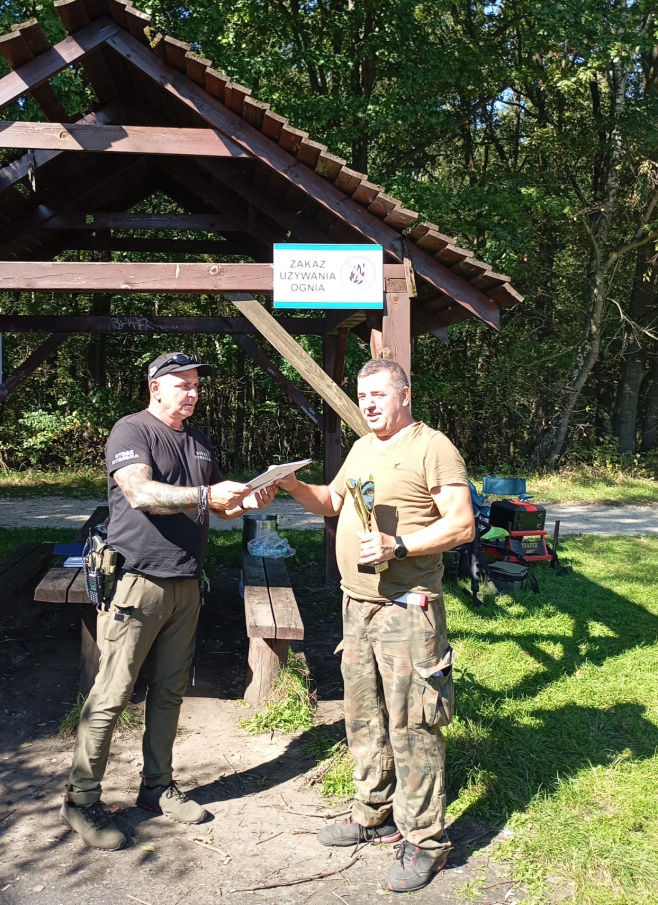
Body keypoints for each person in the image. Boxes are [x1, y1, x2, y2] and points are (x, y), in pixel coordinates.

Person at [60, 351, 275, 850]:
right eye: (183, 384)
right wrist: (204, 496)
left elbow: (218, 505)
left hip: (186, 582)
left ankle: (156, 787)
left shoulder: (198, 442)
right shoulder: (131, 430)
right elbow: (140, 493)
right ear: (155, 386)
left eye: (196, 385)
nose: (193, 393)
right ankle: (81, 799)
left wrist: (250, 499)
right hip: (137, 582)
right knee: (112, 695)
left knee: (170, 691)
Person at [275, 358, 475, 893]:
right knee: (362, 716)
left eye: (379, 395)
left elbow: (462, 524)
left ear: (404, 395)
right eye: (363, 396)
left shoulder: (432, 447)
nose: (368, 404)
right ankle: (374, 811)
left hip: (407, 609)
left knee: (414, 723)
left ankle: (426, 840)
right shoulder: (363, 448)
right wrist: (291, 485)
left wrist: (399, 545)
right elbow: (330, 501)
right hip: (357, 606)